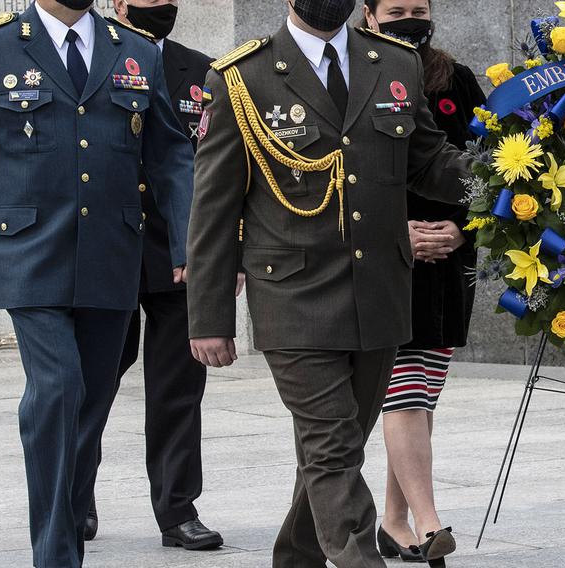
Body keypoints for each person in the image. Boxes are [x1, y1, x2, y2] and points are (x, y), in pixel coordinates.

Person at [186, 1, 471, 566]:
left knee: (333, 451)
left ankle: (297, 558)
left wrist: (513, 179)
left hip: (380, 295)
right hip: (294, 296)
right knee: (333, 444)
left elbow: (431, 162)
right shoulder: (242, 76)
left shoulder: (394, 63)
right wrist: (210, 318)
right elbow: (213, 207)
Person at [0, 0, 194, 566]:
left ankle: (68, 530)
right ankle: (55, 554)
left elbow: (172, 154)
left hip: (111, 254)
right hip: (26, 253)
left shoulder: (137, 50)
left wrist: (187, 243)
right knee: (57, 390)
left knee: (90, 406)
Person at [82, 0, 224, 551]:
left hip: (180, 256)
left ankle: (177, 510)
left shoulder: (202, 71)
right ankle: (75, 496)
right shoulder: (95, 58)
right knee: (89, 386)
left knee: (178, 392)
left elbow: (222, 168)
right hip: (105, 251)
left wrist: (221, 254)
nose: (158, 5)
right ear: (118, 4)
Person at [362, 0, 483, 563]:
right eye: (396, 10)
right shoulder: (360, 71)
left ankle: (392, 520)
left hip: (448, 265)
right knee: (404, 392)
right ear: (368, 15)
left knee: (419, 395)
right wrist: (396, 233)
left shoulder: (455, 77)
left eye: (418, 9)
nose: (409, 19)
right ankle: (430, 524)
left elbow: (487, 167)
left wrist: (462, 230)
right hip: (385, 260)